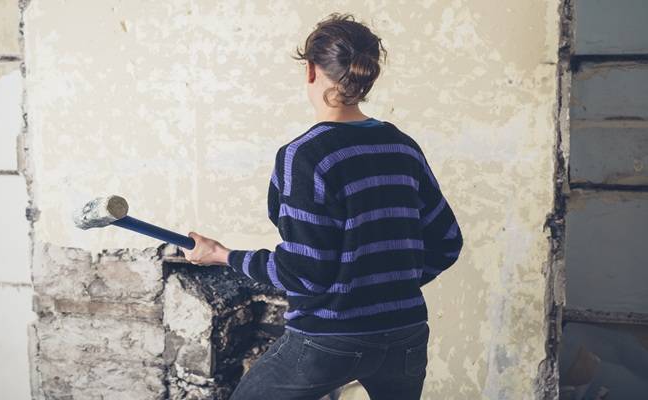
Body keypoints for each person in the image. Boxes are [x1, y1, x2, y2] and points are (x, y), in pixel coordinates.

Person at [180, 13, 463, 400]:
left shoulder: (305, 156)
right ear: (366, 75)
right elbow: (447, 241)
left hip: (329, 339)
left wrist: (221, 255)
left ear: (311, 71)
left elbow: (305, 275)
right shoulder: (402, 146)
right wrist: (388, 286)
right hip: (406, 334)